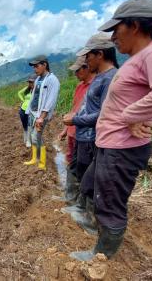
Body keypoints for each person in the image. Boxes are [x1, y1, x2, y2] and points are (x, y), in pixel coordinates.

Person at [70, 0, 152, 262]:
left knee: (110, 204)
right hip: (112, 144)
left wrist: (132, 114)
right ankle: (95, 230)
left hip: (121, 147)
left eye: (116, 29)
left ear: (135, 25)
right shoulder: (142, 57)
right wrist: (144, 113)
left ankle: (102, 257)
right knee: (92, 184)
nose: (113, 37)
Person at [62, 33, 119, 236]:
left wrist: (75, 120)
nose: (86, 61)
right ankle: (81, 210)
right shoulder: (101, 78)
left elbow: (104, 113)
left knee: (91, 180)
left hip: (94, 138)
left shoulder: (111, 78)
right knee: (83, 175)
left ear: (99, 54)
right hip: (84, 135)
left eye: (88, 57)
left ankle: (92, 222)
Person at [57, 56, 95, 204]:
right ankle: (71, 196)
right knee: (72, 163)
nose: (75, 74)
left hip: (87, 136)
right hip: (74, 132)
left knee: (83, 168)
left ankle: (80, 200)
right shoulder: (80, 87)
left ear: (86, 68)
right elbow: (74, 110)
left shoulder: (95, 86)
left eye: (78, 70)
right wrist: (65, 130)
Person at [23, 55, 60, 171]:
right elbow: (34, 96)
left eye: (37, 66)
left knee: (36, 137)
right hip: (33, 113)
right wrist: (29, 111)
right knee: (33, 136)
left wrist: (42, 117)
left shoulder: (52, 80)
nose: (35, 69)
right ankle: (34, 158)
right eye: (34, 67)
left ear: (44, 65)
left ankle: (42, 162)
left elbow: (50, 100)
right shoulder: (38, 79)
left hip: (41, 115)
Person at [18, 75, 36, 147]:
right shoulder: (27, 89)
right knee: (25, 125)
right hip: (23, 109)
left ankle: (29, 141)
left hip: (31, 111)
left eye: (31, 82)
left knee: (30, 126)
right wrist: (23, 100)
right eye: (29, 82)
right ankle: (26, 138)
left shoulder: (37, 90)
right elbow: (19, 93)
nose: (30, 83)